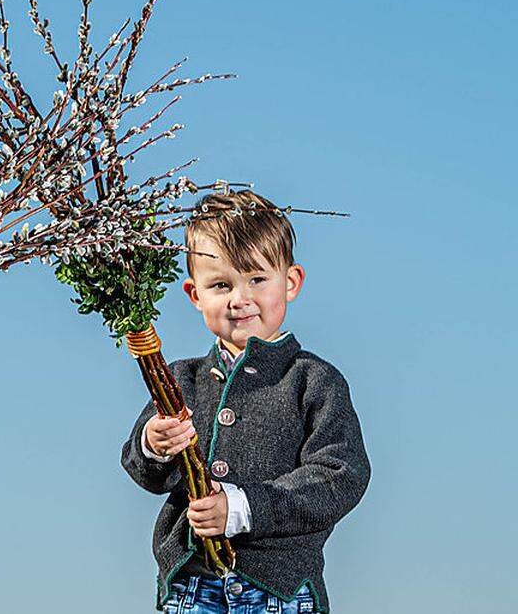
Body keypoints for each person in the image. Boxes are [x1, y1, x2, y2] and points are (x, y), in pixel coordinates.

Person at [121, 190, 370, 613]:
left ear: (290, 282)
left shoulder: (312, 380)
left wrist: (241, 507)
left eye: (256, 279)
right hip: (191, 588)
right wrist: (153, 443)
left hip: (281, 592)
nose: (240, 298)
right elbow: (142, 469)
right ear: (195, 294)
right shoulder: (180, 379)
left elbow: (341, 476)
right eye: (221, 285)